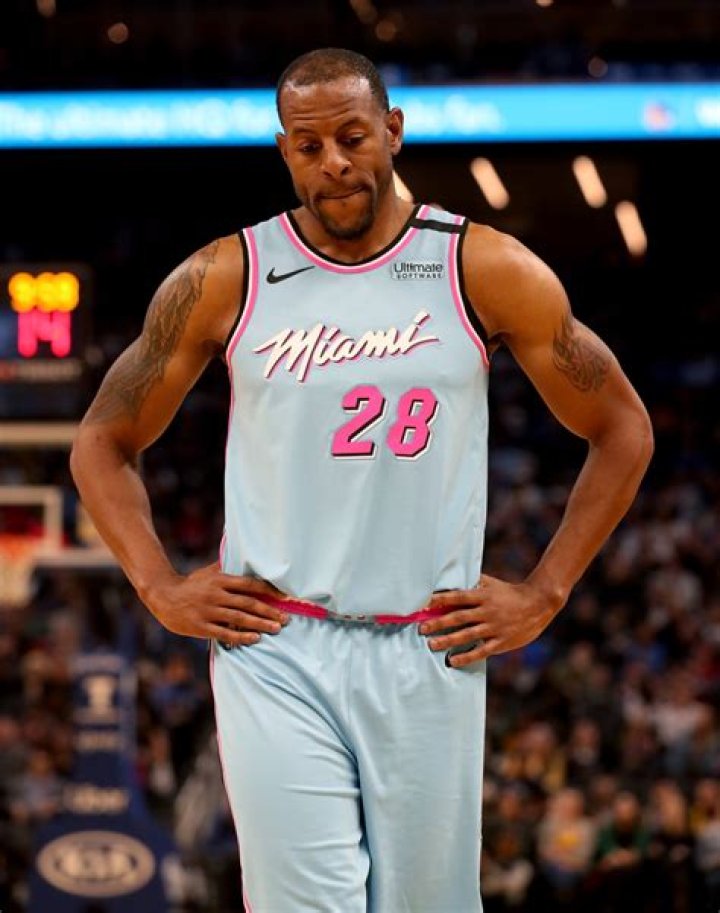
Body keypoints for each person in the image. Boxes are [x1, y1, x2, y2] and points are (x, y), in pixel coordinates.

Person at [70, 47, 654, 913]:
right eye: (309, 146)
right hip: (277, 644)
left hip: (427, 644)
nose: (334, 162)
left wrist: (547, 589)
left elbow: (622, 427)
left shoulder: (483, 266)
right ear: (285, 152)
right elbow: (102, 440)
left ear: (393, 131)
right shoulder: (226, 274)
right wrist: (157, 585)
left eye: (352, 137)